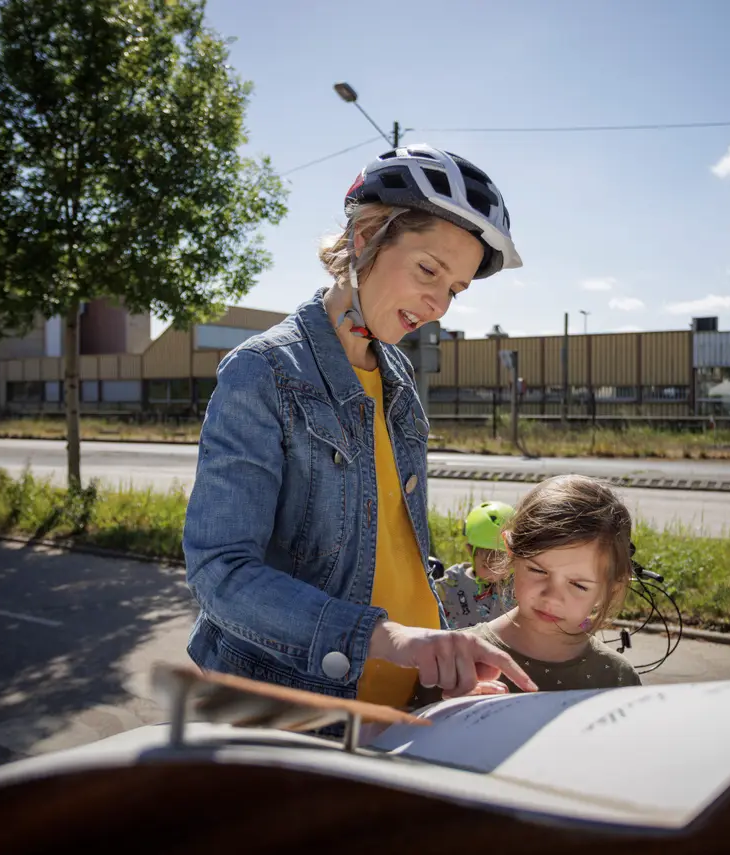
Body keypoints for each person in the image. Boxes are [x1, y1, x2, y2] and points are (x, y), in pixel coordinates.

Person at [181, 144, 537, 707]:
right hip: (300, 708)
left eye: (455, 289)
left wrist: (454, 628)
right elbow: (219, 573)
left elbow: (389, 545)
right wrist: (387, 636)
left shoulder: (394, 372)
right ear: (366, 237)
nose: (439, 304)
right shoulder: (265, 371)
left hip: (411, 701)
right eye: (429, 270)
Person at [412, 474, 642, 707]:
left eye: (578, 585)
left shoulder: (617, 678)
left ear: (610, 588)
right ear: (510, 552)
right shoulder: (453, 662)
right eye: (538, 571)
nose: (552, 596)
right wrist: (449, 711)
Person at [432, 500, 517, 630]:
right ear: (470, 550)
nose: (495, 574)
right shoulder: (452, 584)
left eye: (502, 565)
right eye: (487, 566)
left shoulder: (518, 585)